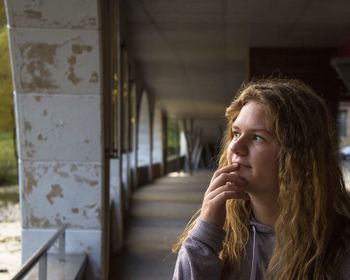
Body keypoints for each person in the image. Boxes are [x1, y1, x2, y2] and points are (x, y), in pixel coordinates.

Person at [172, 78, 350, 280]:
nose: (235, 148)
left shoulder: (339, 249)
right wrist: (205, 234)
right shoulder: (220, 234)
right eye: (236, 133)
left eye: (257, 137)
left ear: (297, 156)